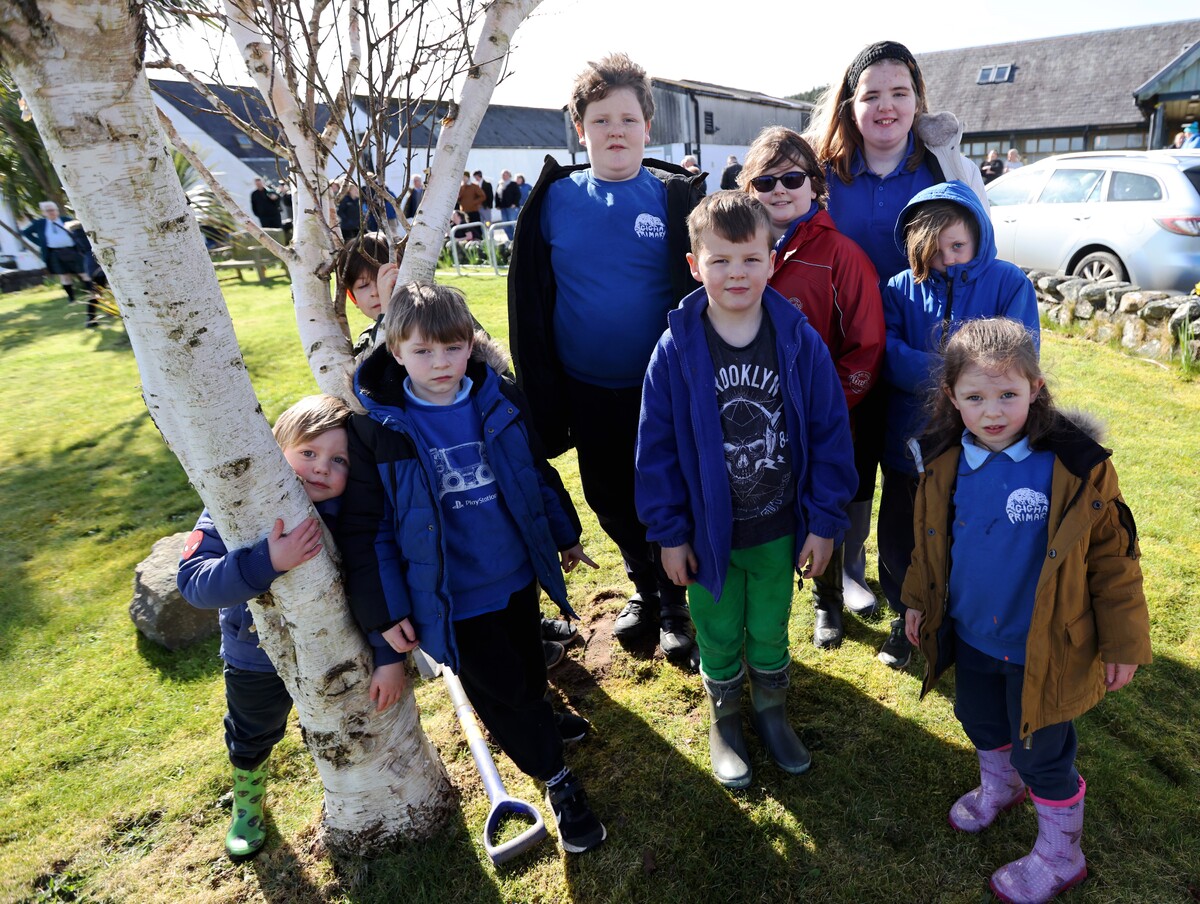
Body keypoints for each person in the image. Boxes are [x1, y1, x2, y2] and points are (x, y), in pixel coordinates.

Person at [338, 283, 606, 853]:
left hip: (514, 574)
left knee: (528, 665)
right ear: (395, 351)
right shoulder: (380, 430)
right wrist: (386, 612)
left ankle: (538, 717)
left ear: (470, 344)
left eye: (453, 348)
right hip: (453, 596)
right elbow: (372, 531)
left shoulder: (497, 397)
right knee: (502, 691)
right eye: (422, 352)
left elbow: (532, 471)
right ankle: (557, 780)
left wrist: (564, 535)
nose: (441, 364)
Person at [902, 317, 1151, 904]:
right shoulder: (942, 460)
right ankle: (999, 784)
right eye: (976, 397)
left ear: (1036, 389)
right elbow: (929, 539)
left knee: (1044, 754)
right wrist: (916, 599)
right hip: (971, 635)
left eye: (1008, 394)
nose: (993, 411)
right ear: (952, 398)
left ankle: (1062, 853)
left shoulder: (1075, 466)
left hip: (1046, 648)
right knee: (981, 721)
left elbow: (1115, 561)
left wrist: (1123, 644)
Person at [635, 192, 856, 787]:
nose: (737, 273)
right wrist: (670, 534)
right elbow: (654, 451)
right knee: (717, 628)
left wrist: (824, 520)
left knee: (768, 624)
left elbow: (831, 433)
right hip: (707, 537)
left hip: (778, 527)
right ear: (693, 265)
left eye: (750, 259)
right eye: (720, 260)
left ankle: (771, 710)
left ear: (772, 258)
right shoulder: (675, 350)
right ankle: (725, 717)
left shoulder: (798, 341)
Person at [507, 53, 706, 665]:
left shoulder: (674, 198)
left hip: (662, 388)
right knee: (608, 495)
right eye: (600, 120)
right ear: (580, 128)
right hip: (587, 386)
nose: (615, 130)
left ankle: (675, 603)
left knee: (665, 491)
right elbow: (532, 298)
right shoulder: (555, 201)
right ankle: (645, 587)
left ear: (648, 125)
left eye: (627, 118)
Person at [810, 39, 989, 668]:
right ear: (849, 104)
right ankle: (832, 589)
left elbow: (982, 256)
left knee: (915, 489)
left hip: (921, 361)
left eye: (900, 93)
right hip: (840, 360)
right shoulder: (821, 173)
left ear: (917, 99)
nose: (886, 107)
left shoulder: (945, 171)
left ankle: (912, 603)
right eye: (871, 95)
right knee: (843, 480)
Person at [177, 395, 407, 860]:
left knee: (349, 724)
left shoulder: (354, 518)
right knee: (253, 728)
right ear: (275, 451)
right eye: (308, 452)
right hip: (254, 657)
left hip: (339, 652)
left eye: (338, 460)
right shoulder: (233, 508)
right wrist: (265, 561)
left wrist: (389, 658)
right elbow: (193, 583)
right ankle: (247, 798)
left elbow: (375, 589)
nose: (321, 468)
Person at [878, 180, 1039, 671]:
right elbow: (886, 350)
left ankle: (964, 621)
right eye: (934, 250)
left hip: (985, 442)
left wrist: (965, 383)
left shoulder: (1009, 283)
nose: (947, 258)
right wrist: (948, 374)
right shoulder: (899, 287)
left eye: (957, 246)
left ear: (978, 237)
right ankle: (906, 619)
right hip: (910, 441)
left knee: (967, 533)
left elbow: (1020, 355)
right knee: (903, 535)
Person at [740, 126, 885, 648]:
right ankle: (762, 594)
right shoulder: (739, 250)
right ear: (748, 188)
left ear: (815, 185)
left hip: (820, 416)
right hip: (750, 415)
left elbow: (865, 344)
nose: (780, 189)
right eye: (766, 180)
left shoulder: (840, 255)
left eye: (793, 177)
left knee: (824, 504)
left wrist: (827, 407)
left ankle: (827, 596)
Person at [21, 200, 96, 325]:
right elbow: (26, 232)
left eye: (53, 210)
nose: (52, 212)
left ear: (57, 210)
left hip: (73, 251)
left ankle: (92, 294)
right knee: (64, 276)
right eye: (48, 210)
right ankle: (71, 298)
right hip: (55, 253)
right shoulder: (40, 224)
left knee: (84, 273)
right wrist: (41, 243)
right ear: (44, 212)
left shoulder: (66, 219)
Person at [336, 233, 401, 358]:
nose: (376, 292)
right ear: (352, 296)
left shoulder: (431, 323)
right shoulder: (365, 344)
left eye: (384, 279)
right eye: (363, 285)